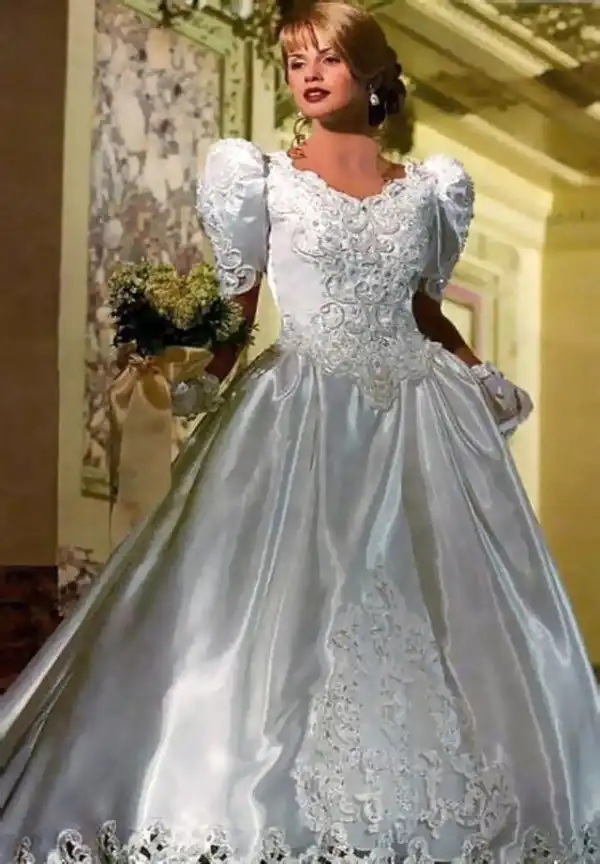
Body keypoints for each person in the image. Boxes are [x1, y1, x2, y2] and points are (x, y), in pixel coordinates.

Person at [1, 3, 599, 862]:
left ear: (370, 72)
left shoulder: (430, 190)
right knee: (263, 616)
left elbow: (424, 311)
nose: (309, 75)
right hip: (299, 411)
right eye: (293, 61)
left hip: (418, 414)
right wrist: (193, 371)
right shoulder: (261, 179)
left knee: (452, 610)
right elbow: (239, 317)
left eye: (327, 58)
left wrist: (479, 374)